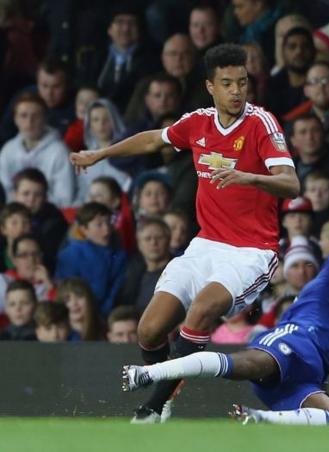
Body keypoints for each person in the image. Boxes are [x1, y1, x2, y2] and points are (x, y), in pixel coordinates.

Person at [70, 43, 299, 423]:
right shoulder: (197, 123)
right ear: (211, 86)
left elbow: (290, 184)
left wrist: (247, 177)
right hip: (205, 244)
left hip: (251, 251)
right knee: (149, 330)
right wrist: (100, 155)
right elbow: (153, 139)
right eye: (227, 83)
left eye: (242, 82)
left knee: (203, 310)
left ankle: (153, 405)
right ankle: (166, 394)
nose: (237, 91)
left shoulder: (261, 124)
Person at [122, 231, 329, 425]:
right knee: (245, 366)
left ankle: (257, 418)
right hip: (292, 343)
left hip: (307, 374)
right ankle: (149, 374)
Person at [0, 93, 75, 207]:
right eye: (23, 115)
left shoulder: (60, 152)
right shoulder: (7, 150)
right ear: (15, 119)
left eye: (35, 116)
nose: (29, 122)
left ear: (45, 118)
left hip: (47, 216)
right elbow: (5, 191)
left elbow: (64, 198)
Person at [55, 202, 127, 318]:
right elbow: (66, 289)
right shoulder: (70, 254)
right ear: (84, 229)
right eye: (99, 225)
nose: (107, 229)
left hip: (107, 314)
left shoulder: (119, 255)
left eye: (109, 222)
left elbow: (116, 289)